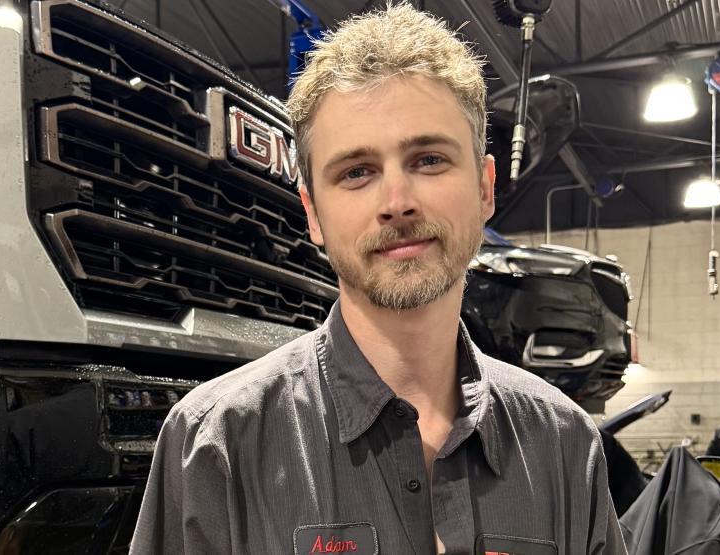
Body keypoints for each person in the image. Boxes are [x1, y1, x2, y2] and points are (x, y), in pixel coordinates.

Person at [129, 4, 625, 554]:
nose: (397, 202)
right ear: (313, 212)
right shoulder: (212, 445)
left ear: (485, 187)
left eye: (429, 160)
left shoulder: (565, 445)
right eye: (356, 172)